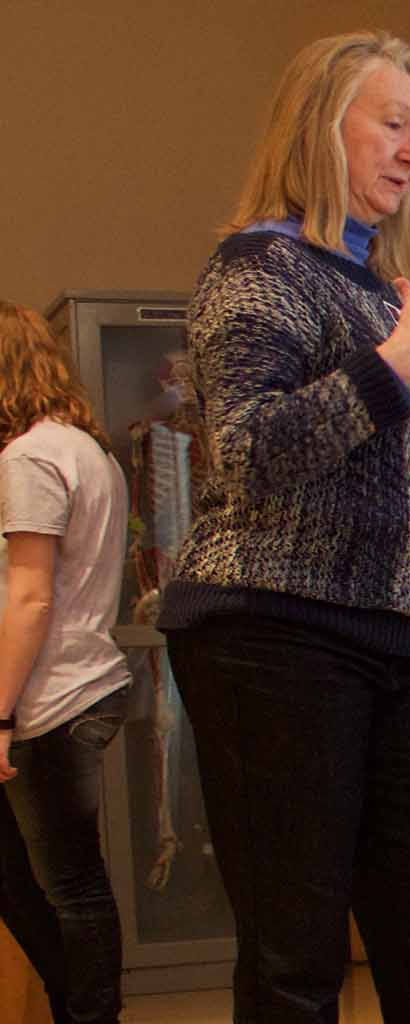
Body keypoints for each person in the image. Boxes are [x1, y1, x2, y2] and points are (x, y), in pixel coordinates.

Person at [165, 30, 410, 1021]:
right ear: (319, 125)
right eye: (393, 123)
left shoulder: (379, 289)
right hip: (269, 635)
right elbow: (257, 453)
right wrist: (401, 360)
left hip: (388, 638)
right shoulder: (257, 269)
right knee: (297, 958)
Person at [0, 301, 133, 1024]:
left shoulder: (30, 457)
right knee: (25, 881)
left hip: (51, 699)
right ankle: (76, 1006)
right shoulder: (87, 449)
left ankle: (88, 1015)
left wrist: (0, 713)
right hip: (68, 690)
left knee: (70, 886)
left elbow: (30, 598)